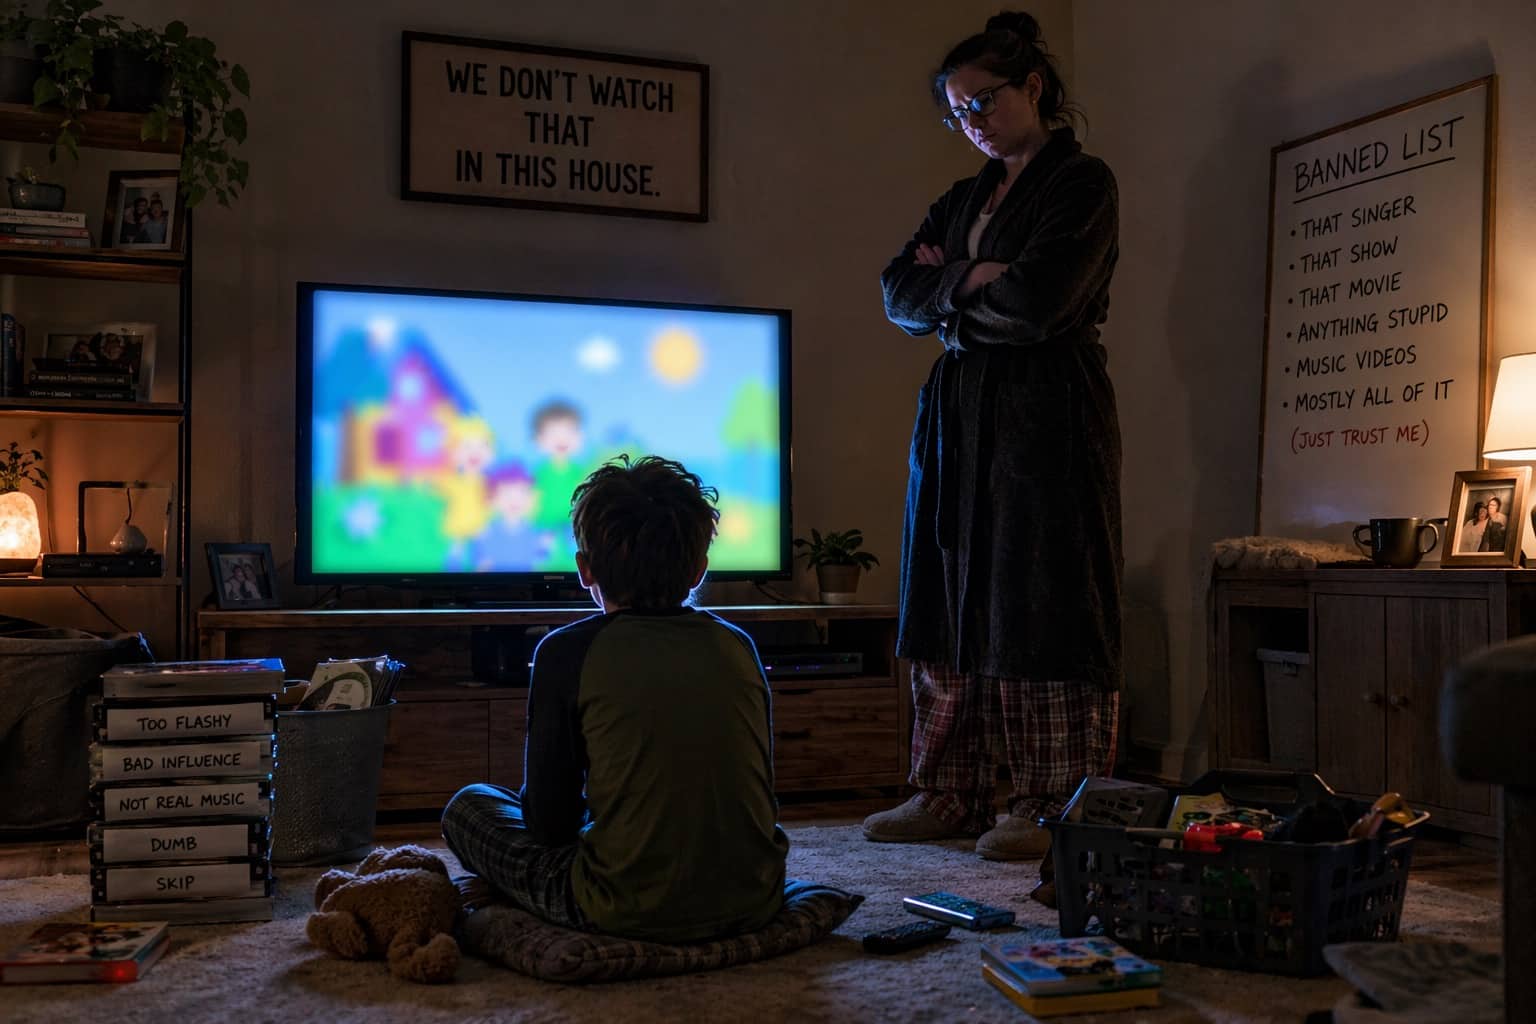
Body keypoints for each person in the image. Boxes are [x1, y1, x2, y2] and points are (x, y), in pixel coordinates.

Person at [864, 10, 1123, 861]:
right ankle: (950, 793)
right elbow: (899, 292)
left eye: (982, 101)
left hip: (1046, 412)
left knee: (1038, 591)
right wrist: (977, 280)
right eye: (957, 112)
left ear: (1034, 88)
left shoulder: (1082, 184)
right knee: (946, 585)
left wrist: (957, 299)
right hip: (959, 414)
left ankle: (1050, 803)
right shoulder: (962, 197)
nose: (972, 121)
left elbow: (1043, 302)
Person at [440, 455, 789, 941]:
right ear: (699, 570)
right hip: (756, 898)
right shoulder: (738, 645)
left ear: (584, 569)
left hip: (616, 907)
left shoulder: (565, 653)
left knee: (469, 806)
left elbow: (549, 826)